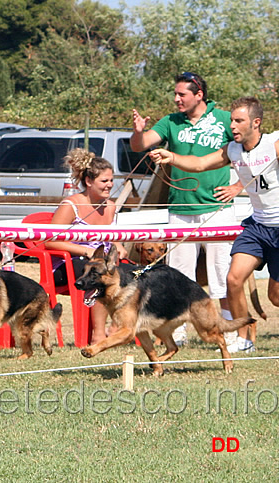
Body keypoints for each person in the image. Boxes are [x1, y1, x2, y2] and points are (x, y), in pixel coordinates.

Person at [149, 96, 279, 353]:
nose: (232, 125)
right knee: (233, 279)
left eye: (239, 121)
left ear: (256, 123)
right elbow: (199, 163)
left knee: (275, 297)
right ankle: (244, 340)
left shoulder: (273, 143)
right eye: (231, 120)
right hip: (257, 226)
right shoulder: (232, 149)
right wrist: (171, 156)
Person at [130, 71, 238, 348]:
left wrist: (237, 187)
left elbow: (248, 149)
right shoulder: (171, 122)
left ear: (199, 94)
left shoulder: (225, 119)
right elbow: (139, 145)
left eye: (182, 95)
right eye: (175, 94)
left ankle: (231, 333)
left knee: (222, 276)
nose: (177, 99)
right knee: (179, 279)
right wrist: (139, 131)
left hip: (217, 209)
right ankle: (177, 332)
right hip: (179, 209)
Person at [45, 148, 128, 344]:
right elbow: (50, 241)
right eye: (104, 181)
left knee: (133, 272)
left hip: (101, 260)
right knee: (100, 275)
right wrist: (87, 251)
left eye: (111, 180)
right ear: (89, 182)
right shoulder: (71, 205)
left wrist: (118, 245)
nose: (109, 185)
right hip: (67, 264)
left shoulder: (111, 206)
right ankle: (97, 335)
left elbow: (112, 236)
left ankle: (119, 328)